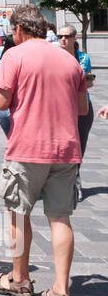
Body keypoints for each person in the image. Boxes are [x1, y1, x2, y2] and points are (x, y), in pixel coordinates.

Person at [0, 5, 88, 296]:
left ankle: (19, 279)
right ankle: (61, 289)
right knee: (60, 218)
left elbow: (0, 102)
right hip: (65, 149)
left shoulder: (14, 57)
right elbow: (82, 108)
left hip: (28, 148)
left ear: (18, 29)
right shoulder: (70, 60)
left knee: (18, 214)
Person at [58, 27, 94, 200]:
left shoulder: (83, 58)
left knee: (79, 145)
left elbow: (88, 82)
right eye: (60, 36)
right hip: (59, 107)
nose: (63, 39)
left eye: (67, 36)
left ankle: (75, 181)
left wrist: (85, 82)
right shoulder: (53, 57)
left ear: (74, 38)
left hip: (81, 106)